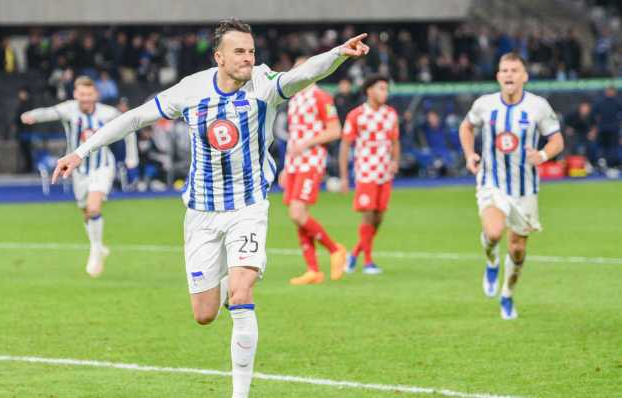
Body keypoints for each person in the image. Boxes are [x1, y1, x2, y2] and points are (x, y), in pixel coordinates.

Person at [50, 19, 369, 398]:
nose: (247, 58)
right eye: (239, 51)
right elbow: (135, 117)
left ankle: (240, 392)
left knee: (242, 293)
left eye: (251, 51)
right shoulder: (192, 90)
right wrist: (80, 152)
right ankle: (229, 277)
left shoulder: (263, 84)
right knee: (204, 314)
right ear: (219, 56)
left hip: (248, 207)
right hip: (201, 212)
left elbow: (302, 75)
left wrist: (337, 55)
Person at [458, 52, 564, 320]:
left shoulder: (538, 106)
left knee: (517, 248)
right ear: (498, 76)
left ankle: (507, 294)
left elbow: (557, 141)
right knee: (493, 233)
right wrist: (470, 154)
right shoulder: (485, 104)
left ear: (524, 76)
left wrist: (541, 155)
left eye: (514, 70)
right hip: (491, 182)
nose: (509, 75)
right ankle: (492, 260)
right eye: (504, 70)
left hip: (525, 188)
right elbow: (466, 128)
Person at [21, 76, 139, 278]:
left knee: (94, 208)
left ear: (96, 95)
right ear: (75, 94)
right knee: (86, 212)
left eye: (89, 94)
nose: (85, 98)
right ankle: (98, 246)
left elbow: (129, 127)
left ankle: (95, 251)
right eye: (81, 94)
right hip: (78, 170)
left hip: (102, 165)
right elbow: (49, 112)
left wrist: (132, 158)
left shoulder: (108, 113)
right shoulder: (69, 109)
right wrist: (31, 115)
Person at [280, 56, 346, 286]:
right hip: (295, 164)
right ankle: (313, 270)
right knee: (299, 217)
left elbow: (335, 130)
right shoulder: (295, 98)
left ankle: (335, 249)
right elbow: (294, 137)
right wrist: (286, 167)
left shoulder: (321, 97)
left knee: (297, 213)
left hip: (311, 162)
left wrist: (307, 144)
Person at [338, 75, 400, 275]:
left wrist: (395, 161)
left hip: (384, 173)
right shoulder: (356, 115)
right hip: (365, 172)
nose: (385, 93)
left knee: (378, 218)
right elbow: (345, 145)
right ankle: (368, 262)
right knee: (368, 216)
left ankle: (354, 254)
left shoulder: (390, 114)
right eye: (381, 88)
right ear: (369, 91)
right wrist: (344, 176)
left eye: (386, 89)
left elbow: (395, 141)